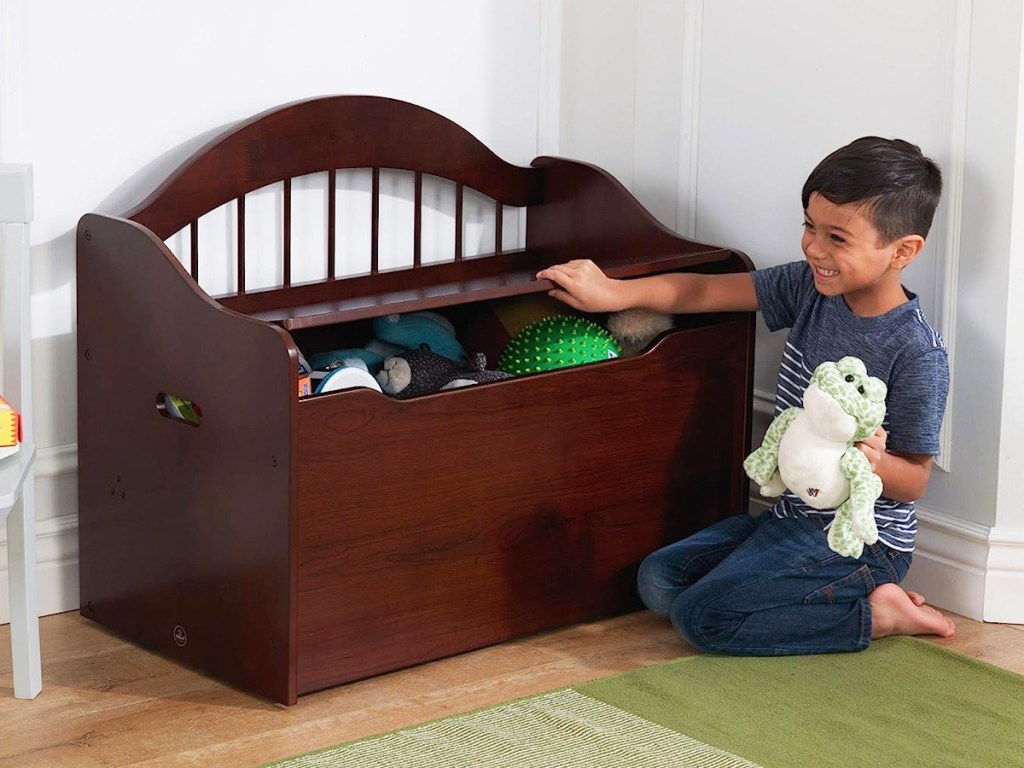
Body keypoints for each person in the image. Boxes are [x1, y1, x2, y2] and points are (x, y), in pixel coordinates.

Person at [536, 136, 956, 655]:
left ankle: (875, 612)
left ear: (903, 251)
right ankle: (817, 593)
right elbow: (706, 291)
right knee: (659, 582)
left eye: (837, 238)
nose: (814, 249)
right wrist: (614, 293)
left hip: (860, 541)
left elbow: (913, 480)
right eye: (809, 226)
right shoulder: (810, 287)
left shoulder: (915, 351)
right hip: (791, 520)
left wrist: (872, 460)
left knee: (703, 619)